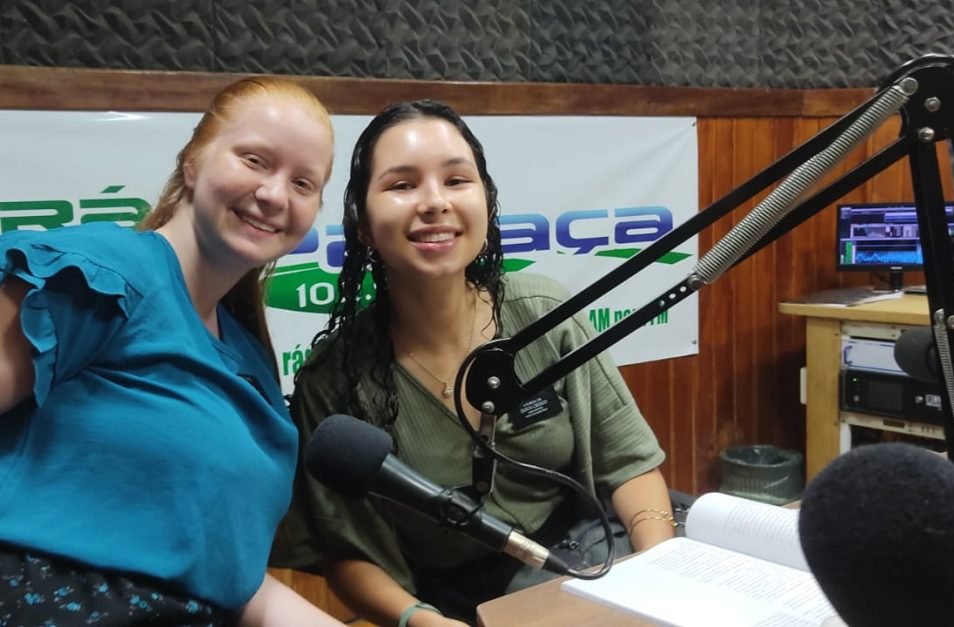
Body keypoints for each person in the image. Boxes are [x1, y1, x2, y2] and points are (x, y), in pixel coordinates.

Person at [272, 99, 676, 626]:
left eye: (456, 180)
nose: (434, 202)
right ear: (363, 223)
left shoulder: (544, 314)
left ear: (485, 201)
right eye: (402, 185)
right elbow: (348, 552)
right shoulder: (334, 379)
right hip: (463, 605)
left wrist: (656, 575)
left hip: (599, 556)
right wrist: (421, 620)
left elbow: (630, 463)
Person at [0, 76, 347, 626]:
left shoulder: (249, 360)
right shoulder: (103, 273)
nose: (275, 194)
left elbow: (229, 582)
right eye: (255, 161)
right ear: (192, 162)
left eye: (303, 183)